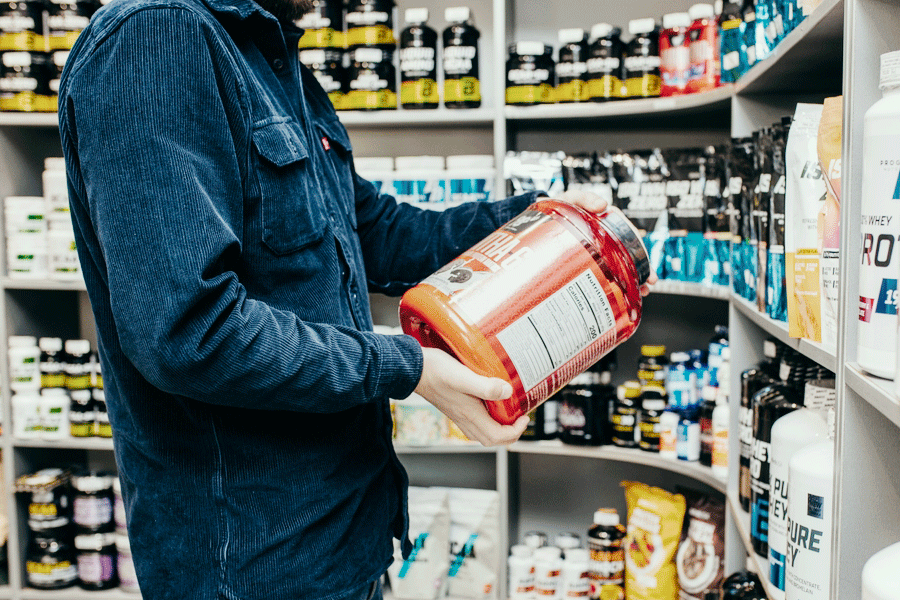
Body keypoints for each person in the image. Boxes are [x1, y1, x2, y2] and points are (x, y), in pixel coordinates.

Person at [57, 0, 653, 597]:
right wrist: (409, 368)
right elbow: (192, 332)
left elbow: (377, 233)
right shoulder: (156, 40)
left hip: (347, 538)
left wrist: (547, 230)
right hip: (252, 568)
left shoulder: (275, 62)